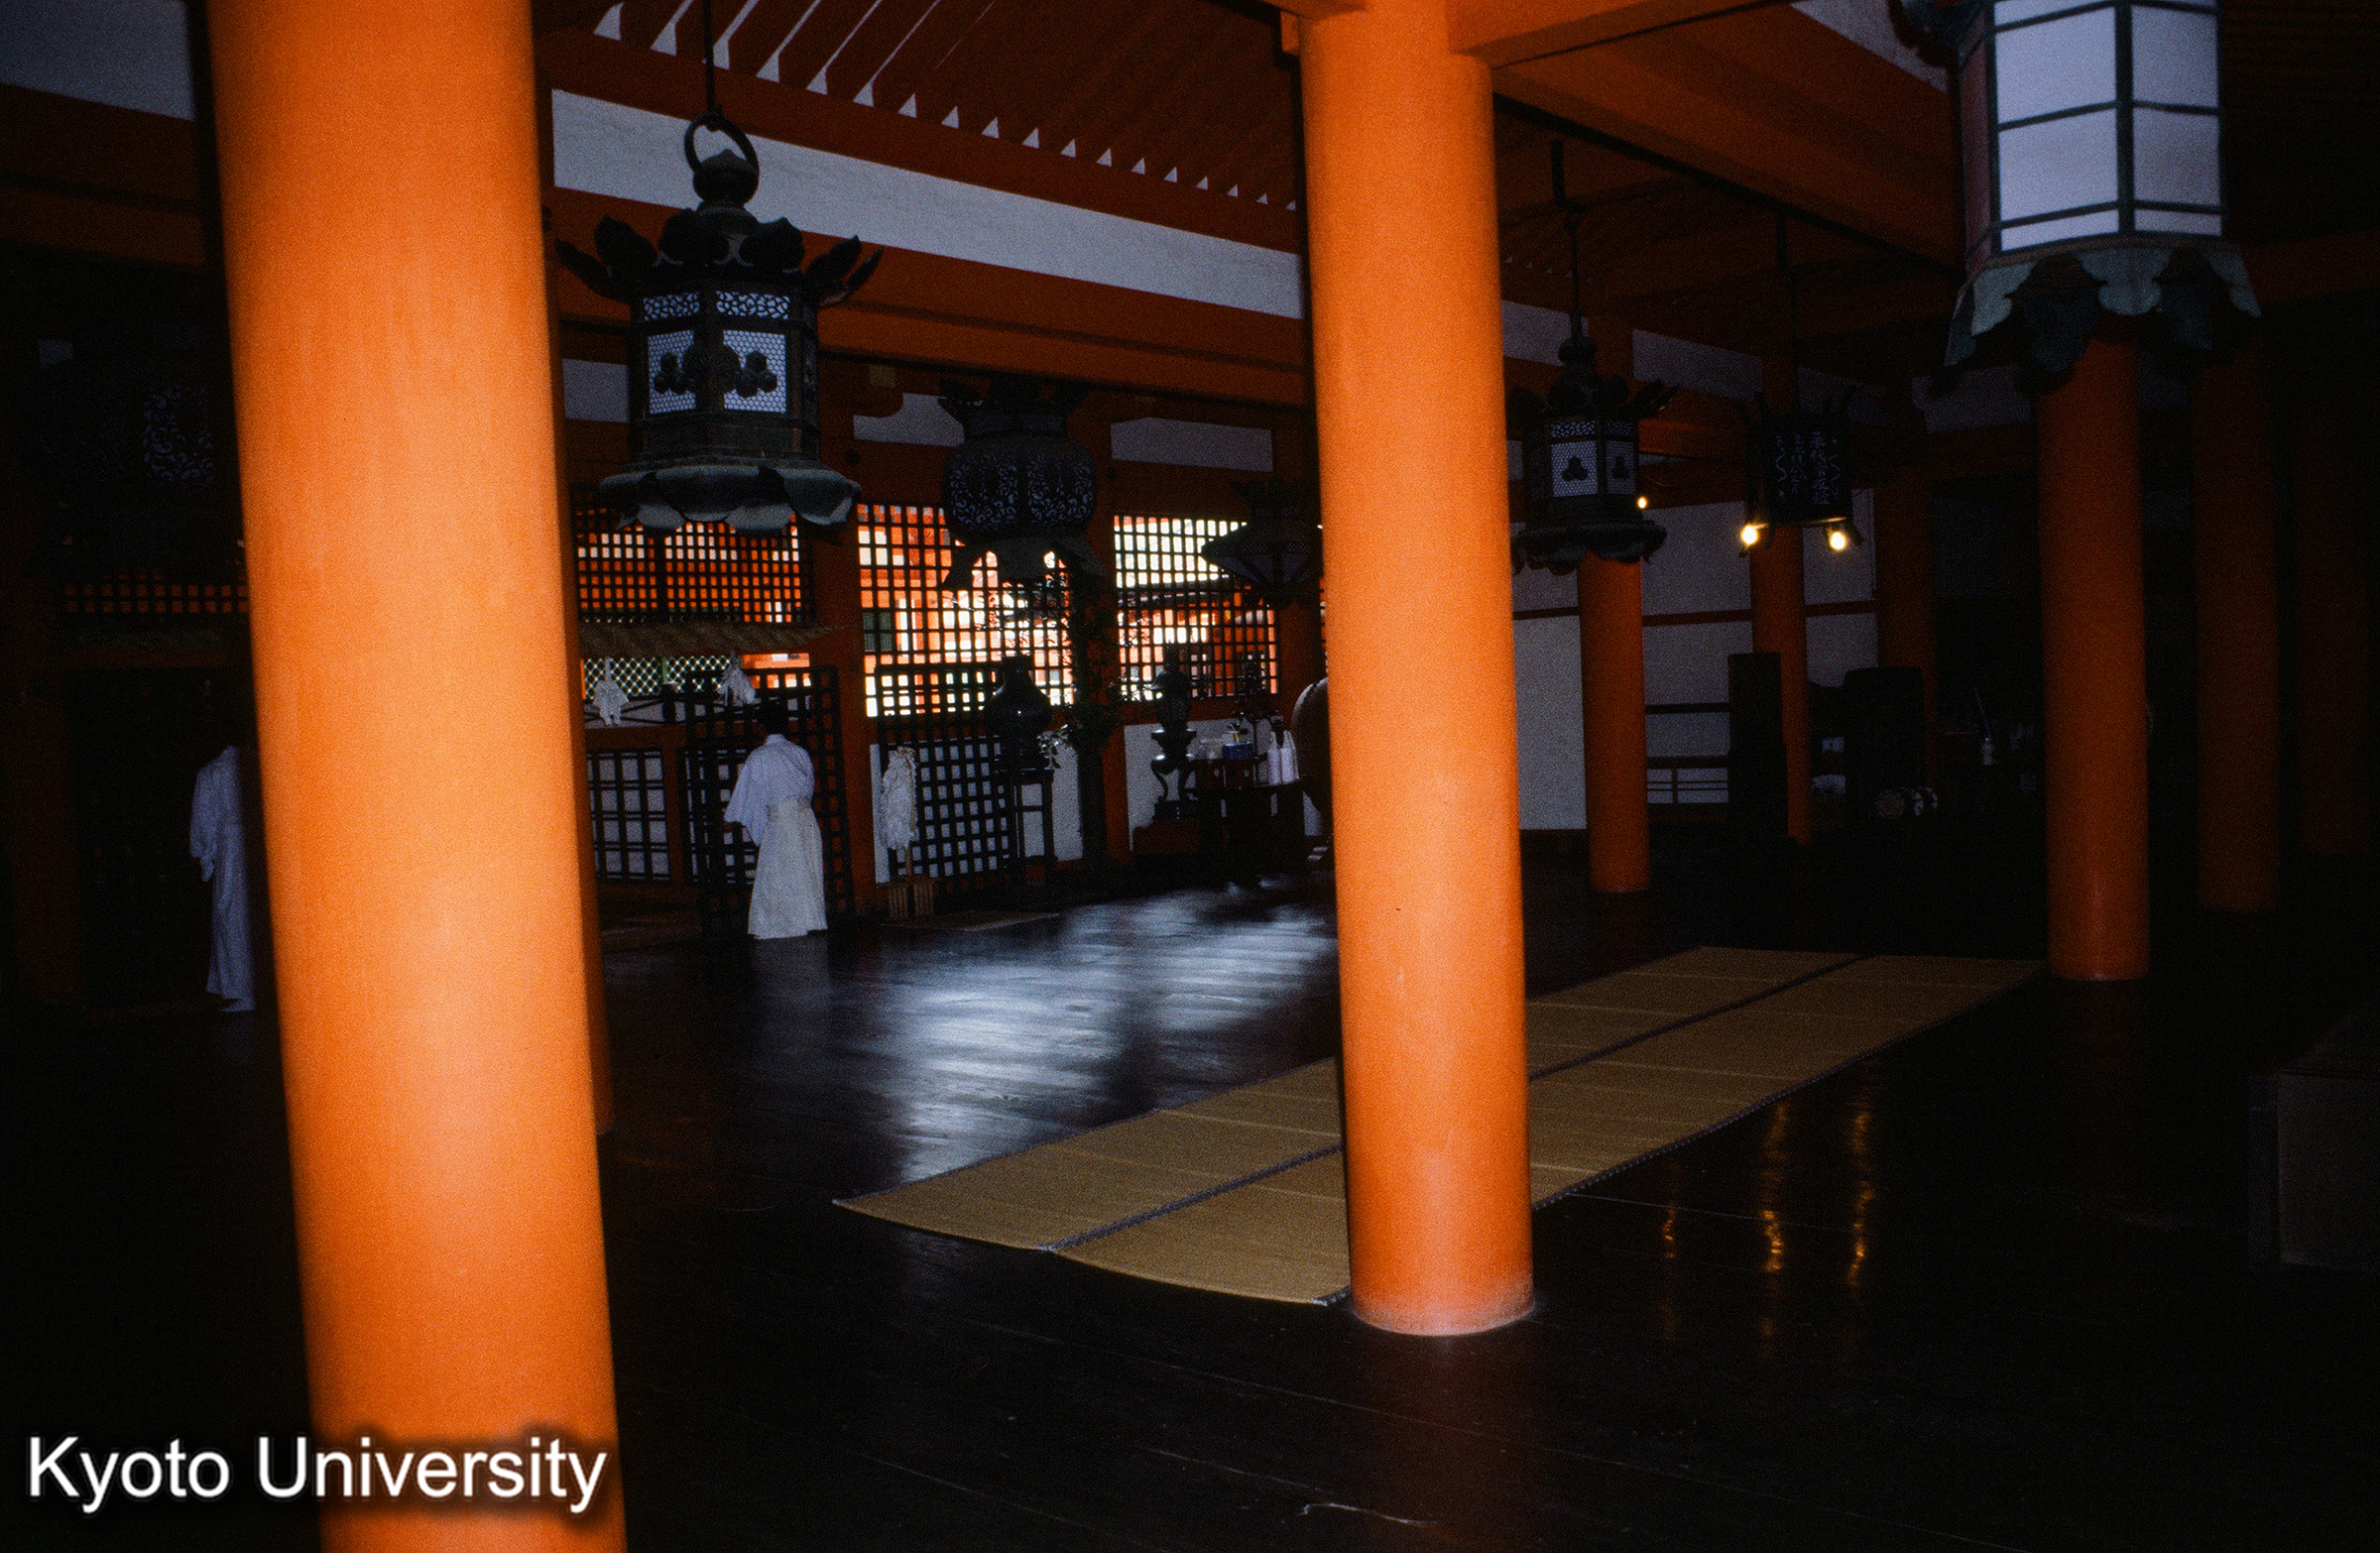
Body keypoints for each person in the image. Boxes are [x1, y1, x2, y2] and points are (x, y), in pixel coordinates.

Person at [723, 700, 827, 938]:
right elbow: (808, 788)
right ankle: (810, 920)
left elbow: (745, 792)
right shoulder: (799, 752)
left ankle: (781, 924)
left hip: (782, 821)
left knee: (779, 873)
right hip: (805, 817)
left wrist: (729, 819)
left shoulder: (760, 756)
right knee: (805, 870)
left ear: (761, 727)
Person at [189, 742, 265, 1011]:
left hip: (229, 850)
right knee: (252, 915)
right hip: (255, 845)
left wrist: (204, 853)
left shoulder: (212, 772)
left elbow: (204, 818)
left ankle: (241, 989)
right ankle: (255, 985)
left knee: (231, 920)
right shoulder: (254, 764)